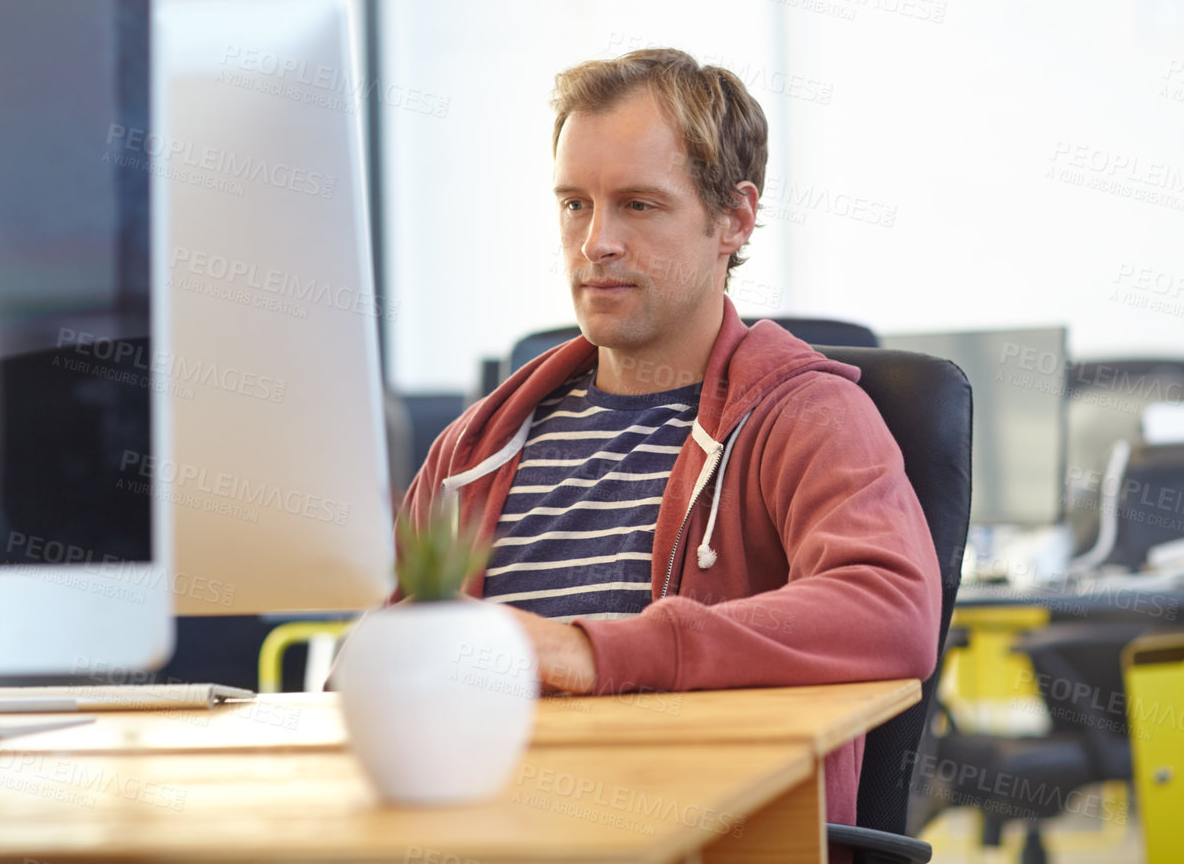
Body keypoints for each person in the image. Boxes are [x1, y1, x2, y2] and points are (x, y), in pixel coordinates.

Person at [396, 48, 941, 833]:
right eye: (574, 204)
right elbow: (378, 670)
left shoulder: (806, 415)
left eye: (639, 205)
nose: (595, 244)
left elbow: (889, 610)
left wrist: (590, 652)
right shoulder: (473, 450)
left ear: (735, 218)